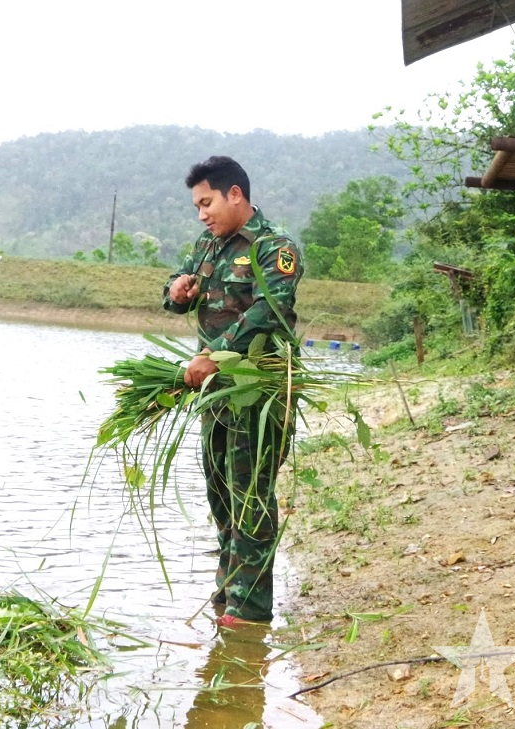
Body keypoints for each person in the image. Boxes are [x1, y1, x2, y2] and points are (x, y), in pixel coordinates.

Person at [162, 155, 303, 627]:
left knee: (252, 492)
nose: (202, 214)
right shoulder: (207, 244)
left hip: (260, 388)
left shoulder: (274, 247)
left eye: (207, 203)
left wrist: (215, 353)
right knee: (220, 489)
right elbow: (175, 292)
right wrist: (177, 290)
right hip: (217, 391)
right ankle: (228, 591)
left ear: (235, 194)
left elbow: (270, 310)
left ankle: (251, 609)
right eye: (197, 207)